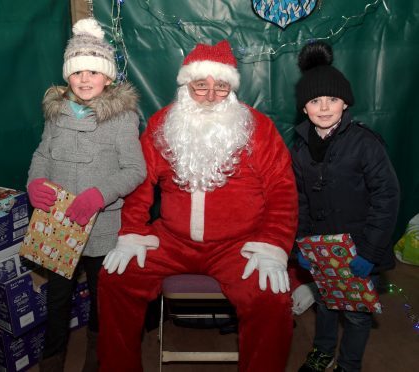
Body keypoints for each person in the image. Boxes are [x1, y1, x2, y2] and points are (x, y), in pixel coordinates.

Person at [98, 40, 299, 372]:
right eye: (200, 85)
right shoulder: (163, 124)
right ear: (185, 85)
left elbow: (283, 191)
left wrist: (273, 244)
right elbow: (140, 185)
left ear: (231, 89)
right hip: (173, 241)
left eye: (220, 87)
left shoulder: (258, 128)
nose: (209, 95)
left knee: (271, 298)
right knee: (115, 279)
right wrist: (132, 231)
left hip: (238, 245)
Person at [26, 18, 146, 372]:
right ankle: (53, 356)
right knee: (58, 297)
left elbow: (135, 170)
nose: (85, 79)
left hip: (101, 225)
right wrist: (35, 182)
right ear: (68, 76)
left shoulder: (122, 117)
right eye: (78, 72)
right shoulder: (57, 111)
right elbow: (42, 155)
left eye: (94, 72)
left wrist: (100, 194)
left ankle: (98, 353)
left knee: (102, 295)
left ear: (108, 77)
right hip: (57, 225)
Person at [291, 41, 400, 372]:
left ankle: (349, 364)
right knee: (325, 303)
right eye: (315, 101)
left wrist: (369, 251)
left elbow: (387, 196)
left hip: (360, 249)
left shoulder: (365, 143)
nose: (324, 108)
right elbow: (299, 199)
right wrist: (303, 242)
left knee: (354, 313)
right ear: (304, 108)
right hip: (324, 249)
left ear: (345, 103)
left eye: (333, 100)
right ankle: (323, 352)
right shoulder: (297, 146)